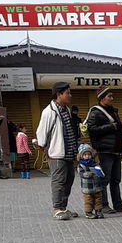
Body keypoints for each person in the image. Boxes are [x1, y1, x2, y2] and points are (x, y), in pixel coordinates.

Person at [36, 82, 80, 219]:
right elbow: (42, 132)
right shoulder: (49, 111)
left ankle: (63, 207)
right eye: (67, 93)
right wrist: (43, 145)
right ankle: (57, 208)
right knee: (59, 181)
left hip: (69, 152)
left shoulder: (66, 109)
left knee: (69, 180)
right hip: (56, 153)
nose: (70, 95)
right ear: (58, 94)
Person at [85, 87, 122, 212]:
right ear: (101, 98)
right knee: (103, 180)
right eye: (109, 96)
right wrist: (109, 127)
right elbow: (92, 130)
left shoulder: (113, 111)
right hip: (105, 151)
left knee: (116, 180)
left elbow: (120, 130)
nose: (112, 98)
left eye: (112, 96)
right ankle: (104, 205)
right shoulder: (95, 113)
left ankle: (118, 205)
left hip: (116, 150)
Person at [77, 144, 106, 219]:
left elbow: (100, 172)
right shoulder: (81, 165)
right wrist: (89, 174)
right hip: (87, 187)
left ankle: (98, 211)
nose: (87, 156)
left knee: (98, 199)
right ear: (82, 156)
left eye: (89, 154)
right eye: (85, 155)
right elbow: (82, 174)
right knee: (88, 200)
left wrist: (99, 172)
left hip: (97, 186)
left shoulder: (95, 164)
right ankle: (88, 212)